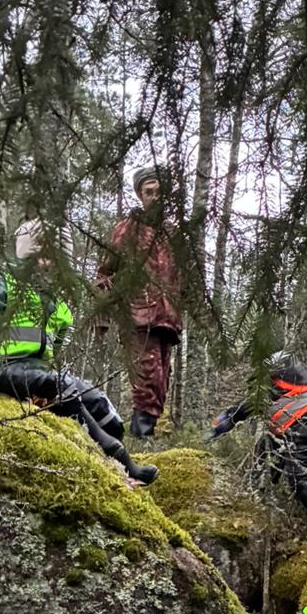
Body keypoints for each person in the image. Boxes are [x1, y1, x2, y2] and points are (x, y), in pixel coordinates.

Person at [0, 219, 158, 485]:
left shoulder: (59, 308)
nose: (49, 265)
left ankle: (113, 459)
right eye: (43, 256)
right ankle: (120, 459)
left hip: (36, 372)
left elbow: (55, 351)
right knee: (56, 384)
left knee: (100, 405)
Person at [207, 352, 307, 539]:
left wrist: (216, 429)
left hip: (305, 423)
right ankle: (253, 502)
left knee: (299, 476)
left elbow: (244, 408)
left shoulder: (274, 376)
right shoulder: (287, 371)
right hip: (306, 423)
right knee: (264, 455)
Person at [95, 165, 184, 437]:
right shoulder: (128, 229)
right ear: (140, 195)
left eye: (159, 192)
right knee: (147, 379)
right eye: (149, 192)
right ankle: (140, 437)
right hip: (138, 316)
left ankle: (145, 435)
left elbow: (184, 278)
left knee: (162, 381)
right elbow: (105, 272)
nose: (155, 197)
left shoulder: (173, 233)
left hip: (167, 319)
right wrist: (102, 317)